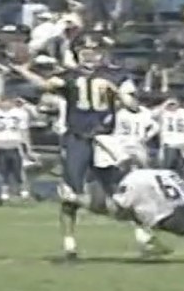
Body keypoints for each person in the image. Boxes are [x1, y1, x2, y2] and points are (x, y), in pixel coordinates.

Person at [9, 45, 139, 260]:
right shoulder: (69, 76)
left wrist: (122, 97)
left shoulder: (116, 75)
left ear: (101, 53)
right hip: (77, 137)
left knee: (119, 192)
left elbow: (133, 105)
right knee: (70, 192)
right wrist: (23, 70)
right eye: (84, 51)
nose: (89, 56)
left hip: (104, 139)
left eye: (93, 51)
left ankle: (143, 235)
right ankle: (69, 244)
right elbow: (44, 85)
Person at [0, 96, 33, 203]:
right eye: (3, 101)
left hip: (15, 145)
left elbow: (24, 132)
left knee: (19, 171)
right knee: (2, 171)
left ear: (12, 102)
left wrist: (28, 148)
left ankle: (24, 192)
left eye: (8, 101)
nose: (5, 104)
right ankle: (4, 193)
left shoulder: (21, 113)